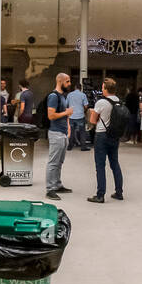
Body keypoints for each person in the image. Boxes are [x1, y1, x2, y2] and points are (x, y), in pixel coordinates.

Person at [86, 77, 124, 204]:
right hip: (115, 135)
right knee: (115, 164)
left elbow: (92, 121)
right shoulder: (119, 101)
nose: (101, 89)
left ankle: (100, 195)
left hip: (102, 136)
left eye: (102, 87)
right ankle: (119, 192)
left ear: (106, 89)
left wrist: (92, 113)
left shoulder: (101, 102)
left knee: (100, 166)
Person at [45, 73, 73, 201]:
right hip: (55, 133)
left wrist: (68, 127)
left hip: (62, 133)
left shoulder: (63, 96)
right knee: (53, 162)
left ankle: (57, 184)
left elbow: (64, 115)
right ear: (60, 81)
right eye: (67, 81)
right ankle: (50, 188)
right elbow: (51, 115)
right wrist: (66, 113)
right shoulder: (53, 96)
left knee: (59, 162)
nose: (69, 84)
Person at [66, 78, 89, 151]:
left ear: (75, 87)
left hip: (71, 116)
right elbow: (86, 106)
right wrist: (83, 110)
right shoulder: (83, 95)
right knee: (82, 132)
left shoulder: (69, 95)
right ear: (80, 88)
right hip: (80, 116)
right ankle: (83, 147)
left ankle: (70, 146)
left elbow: (66, 105)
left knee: (71, 131)